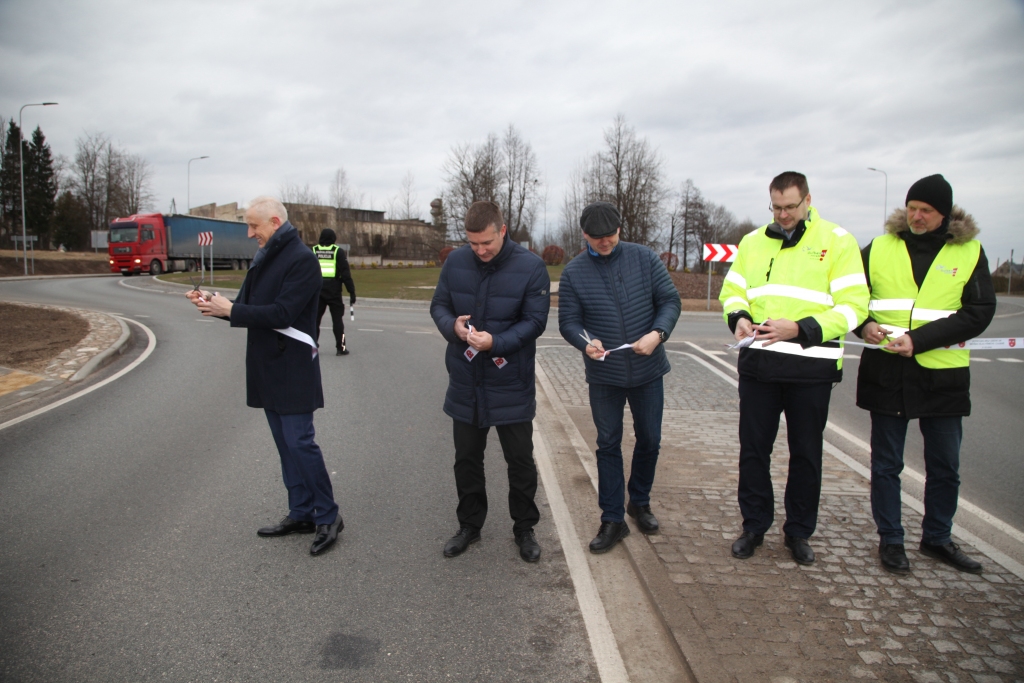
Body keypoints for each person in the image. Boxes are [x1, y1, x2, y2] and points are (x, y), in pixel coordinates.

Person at [719, 172, 868, 565]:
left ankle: (799, 532)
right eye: (776, 207)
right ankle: (753, 527)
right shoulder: (753, 242)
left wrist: (801, 328)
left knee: (806, 454)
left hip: (811, 371)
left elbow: (854, 306)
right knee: (753, 451)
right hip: (759, 367)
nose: (783, 215)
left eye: (790, 206)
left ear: (807, 201)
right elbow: (732, 290)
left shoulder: (837, 241)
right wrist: (739, 318)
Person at [186, 197, 343, 556]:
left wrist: (234, 309)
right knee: (286, 445)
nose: (249, 232)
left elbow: (283, 312)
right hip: (267, 366)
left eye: (254, 225)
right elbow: (245, 306)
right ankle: (302, 511)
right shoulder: (265, 256)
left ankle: (329, 515)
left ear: (274, 222)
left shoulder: (302, 259)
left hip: (292, 368)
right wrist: (211, 303)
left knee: (300, 442)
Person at [855, 174, 995, 575]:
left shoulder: (970, 252)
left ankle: (937, 538)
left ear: (944, 214)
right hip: (887, 372)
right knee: (886, 465)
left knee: (945, 466)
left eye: (926, 211)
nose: (916, 216)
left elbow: (979, 312)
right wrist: (863, 325)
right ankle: (891, 540)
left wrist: (921, 340)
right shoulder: (880, 247)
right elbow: (849, 297)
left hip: (942, 377)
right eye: (912, 208)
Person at [430, 201, 550, 563]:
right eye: (473, 243)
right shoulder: (456, 262)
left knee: (520, 461)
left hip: (509, 380)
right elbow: (439, 306)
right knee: (466, 459)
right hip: (466, 380)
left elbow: (534, 322)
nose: (480, 250)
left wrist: (495, 342)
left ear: (502, 230)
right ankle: (469, 525)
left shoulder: (531, 267)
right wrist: (452, 327)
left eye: (486, 243)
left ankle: (524, 528)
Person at [558, 202, 681, 554]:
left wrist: (658, 333)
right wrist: (586, 343)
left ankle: (639, 502)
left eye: (610, 235)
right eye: (597, 238)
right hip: (605, 374)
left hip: (647, 370)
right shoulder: (574, 273)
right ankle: (612, 518)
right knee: (608, 443)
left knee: (650, 439)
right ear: (585, 235)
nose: (605, 242)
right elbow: (569, 321)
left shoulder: (644, 258)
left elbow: (670, 301)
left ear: (620, 230)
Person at [313, 228, 356, 355]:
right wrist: (351, 291)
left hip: (318, 289)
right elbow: (345, 274)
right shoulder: (338, 251)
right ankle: (341, 347)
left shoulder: (314, 250)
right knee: (337, 321)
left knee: (315, 320)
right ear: (333, 238)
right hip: (334, 290)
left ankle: (312, 345)